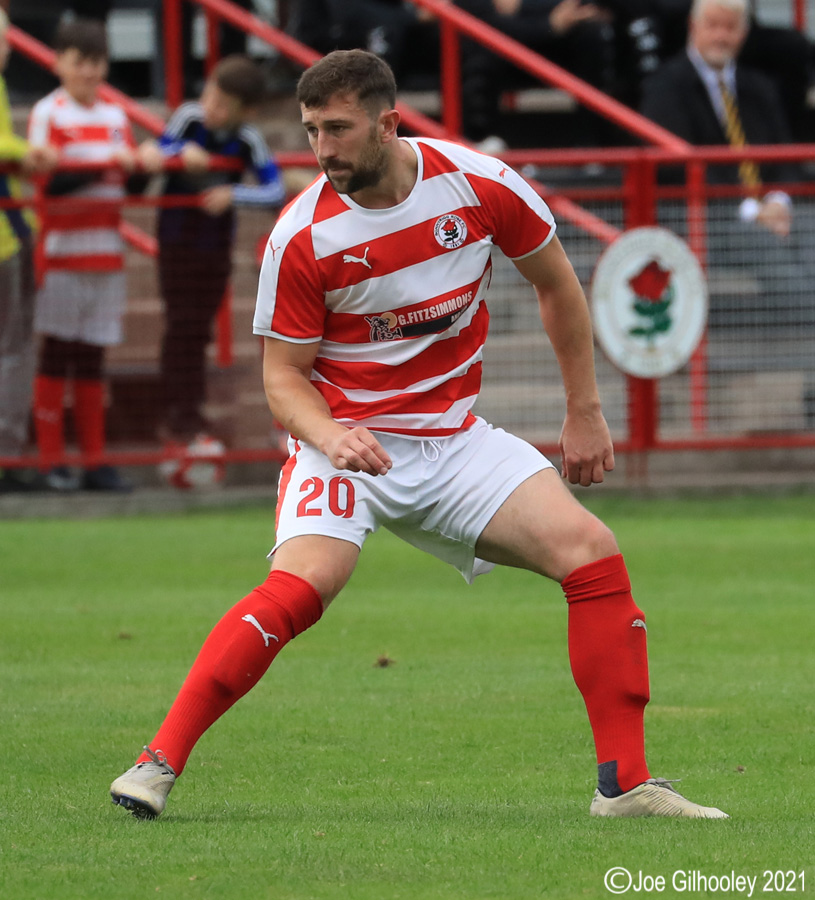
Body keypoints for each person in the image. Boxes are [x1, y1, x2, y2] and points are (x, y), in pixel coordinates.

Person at [110, 49, 728, 821]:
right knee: (304, 586)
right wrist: (331, 438)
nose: (323, 150)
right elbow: (282, 379)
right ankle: (155, 763)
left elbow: (556, 283)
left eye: (338, 129)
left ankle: (625, 788)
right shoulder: (301, 236)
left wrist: (584, 409)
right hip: (344, 439)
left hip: (450, 441)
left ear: (388, 122)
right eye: (310, 131)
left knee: (592, 554)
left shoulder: (478, 186)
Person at [138, 55, 286, 446]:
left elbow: (273, 188)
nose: (210, 108)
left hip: (215, 247)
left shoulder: (248, 139)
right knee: (181, 326)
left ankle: (191, 412)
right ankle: (179, 414)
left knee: (199, 330)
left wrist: (231, 193)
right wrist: (177, 157)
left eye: (222, 105)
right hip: (175, 241)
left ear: (246, 111)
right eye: (209, 96)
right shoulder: (189, 118)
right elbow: (157, 152)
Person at [641, 0, 815, 329]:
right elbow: (676, 168)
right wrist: (751, 209)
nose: (721, 36)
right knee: (774, 258)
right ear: (694, 28)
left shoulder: (760, 88)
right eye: (713, 26)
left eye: (730, 28)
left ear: (744, 33)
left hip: (772, 212)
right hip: (707, 216)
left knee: (811, 234)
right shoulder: (665, 86)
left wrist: (778, 200)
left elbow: (785, 156)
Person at [28, 17, 138, 491]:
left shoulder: (116, 117)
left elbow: (130, 182)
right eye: (80, 62)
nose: (89, 72)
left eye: (96, 63)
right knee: (56, 355)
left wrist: (132, 168)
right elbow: (47, 182)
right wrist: (106, 168)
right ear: (59, 64)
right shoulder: (47, 113)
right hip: (61, 253)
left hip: (106, 253)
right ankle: (51, 461)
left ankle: (94, 460)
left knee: (93, 359)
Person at [0, 7, 58, 492]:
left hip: (12, 231)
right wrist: (24, 154)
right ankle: (9, 457)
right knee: (13, 349)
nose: (6, 47)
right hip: (6, 236)